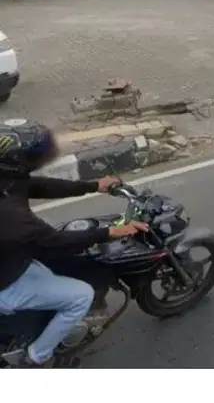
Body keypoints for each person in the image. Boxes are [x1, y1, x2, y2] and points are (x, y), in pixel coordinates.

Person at [0, 120, 147, 367]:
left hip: (10, 259)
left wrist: (92, 186)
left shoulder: (7, 178)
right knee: (81, 296)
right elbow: (56, 241)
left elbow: (38, 185)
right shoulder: (10, 214)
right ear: (19, 158)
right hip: (6, 281)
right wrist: (110, 232)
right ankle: (37, 358)